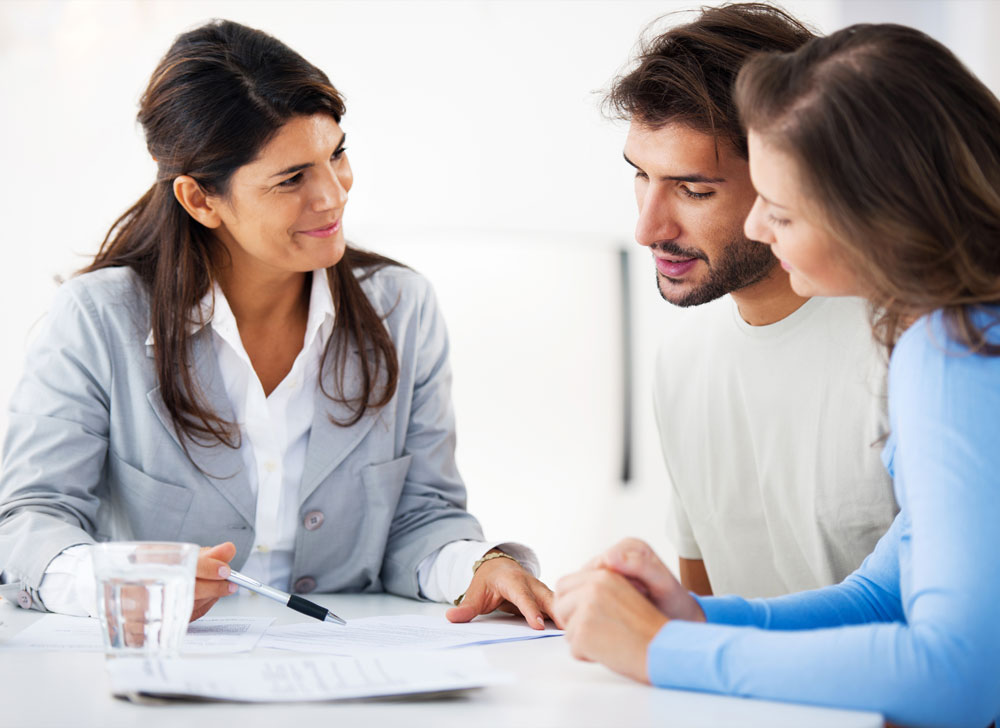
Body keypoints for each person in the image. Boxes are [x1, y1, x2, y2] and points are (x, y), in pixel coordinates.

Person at [0, 19, 554, 629]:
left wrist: (479, 566)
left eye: (336, 153)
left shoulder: (403, 308)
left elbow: (421, 519)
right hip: (173, 663)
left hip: (354, 661)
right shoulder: (98, 319)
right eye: (292, 179)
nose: (333, 195)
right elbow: (27, 519)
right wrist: (116, 580)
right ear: (200, 199)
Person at [556, 21, 1000, 726]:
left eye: (782, 207)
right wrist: (695, 619)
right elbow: (885, 594)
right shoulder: (944, 332)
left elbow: (959, 674)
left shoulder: (956, 348)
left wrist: (665, 652)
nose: (762, 226)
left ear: (875, 214)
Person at [607, 2, 897, 599]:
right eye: (641, 175)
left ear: (790, 174)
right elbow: (704, 609)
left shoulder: (911, 346)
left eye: (693, 189)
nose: (648, 228)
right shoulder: (683, 362)